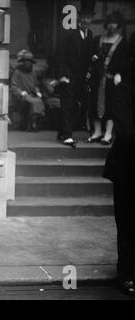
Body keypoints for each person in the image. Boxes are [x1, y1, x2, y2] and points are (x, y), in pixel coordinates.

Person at [103, 30, 135, 296]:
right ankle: (126, 274)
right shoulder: (124, 88)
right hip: (128, 168)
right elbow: (126, 131)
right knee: (128, 225)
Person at [55, 5, 95, 147]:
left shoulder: (89, 34)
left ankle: (62, 132)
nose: (87, 20)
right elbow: (59, 55)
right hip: (68, 75)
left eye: (89, 17)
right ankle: (67, 135)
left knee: (76, 106)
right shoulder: (69, 32)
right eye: (84, 17)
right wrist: (61, 76)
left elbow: (88, 56)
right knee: (67, 104)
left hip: (81, 77)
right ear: (79, 17)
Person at [88, 11, 129, 145]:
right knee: (94, 104)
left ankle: (108, 133)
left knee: (110, 105)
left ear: (118, 25)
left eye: (115, 23)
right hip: (96, 78)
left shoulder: (122, 42)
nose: (112, 26)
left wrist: (119, 73)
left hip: (112, 79)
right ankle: (97, 131)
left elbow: (125, 62)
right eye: (110, 23)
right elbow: (90, 57)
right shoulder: (97, 39)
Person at [10, 49, 46, 132]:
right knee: (34, 102)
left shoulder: (33, 73)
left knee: (38, 100)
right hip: (21, 97)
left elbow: (35, 85)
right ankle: (31, 124)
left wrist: (37, 91)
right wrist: (21, 92)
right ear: (23, 62)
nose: (28, 63)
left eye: (30, 61)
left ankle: (33, 122)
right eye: (27, 61)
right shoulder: (17, 72)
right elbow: (14, 86)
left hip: (31, 95)